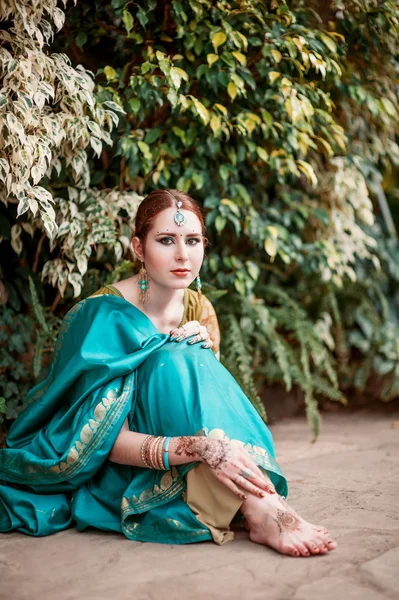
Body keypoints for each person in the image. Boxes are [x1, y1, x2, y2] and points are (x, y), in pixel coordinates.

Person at [0, 189, 337, 557]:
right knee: (175, 355)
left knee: (187, 351)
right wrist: (204, 447)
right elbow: (104, 444)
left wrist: (202, 354)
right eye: (166, 241)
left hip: (192, 449)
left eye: (193, 241)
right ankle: (260, 505)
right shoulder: (101, 317)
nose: (183, 255)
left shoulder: (198, 307)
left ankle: (260, 503)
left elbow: (205, 410)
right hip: (123, 466)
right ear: (138, 248)